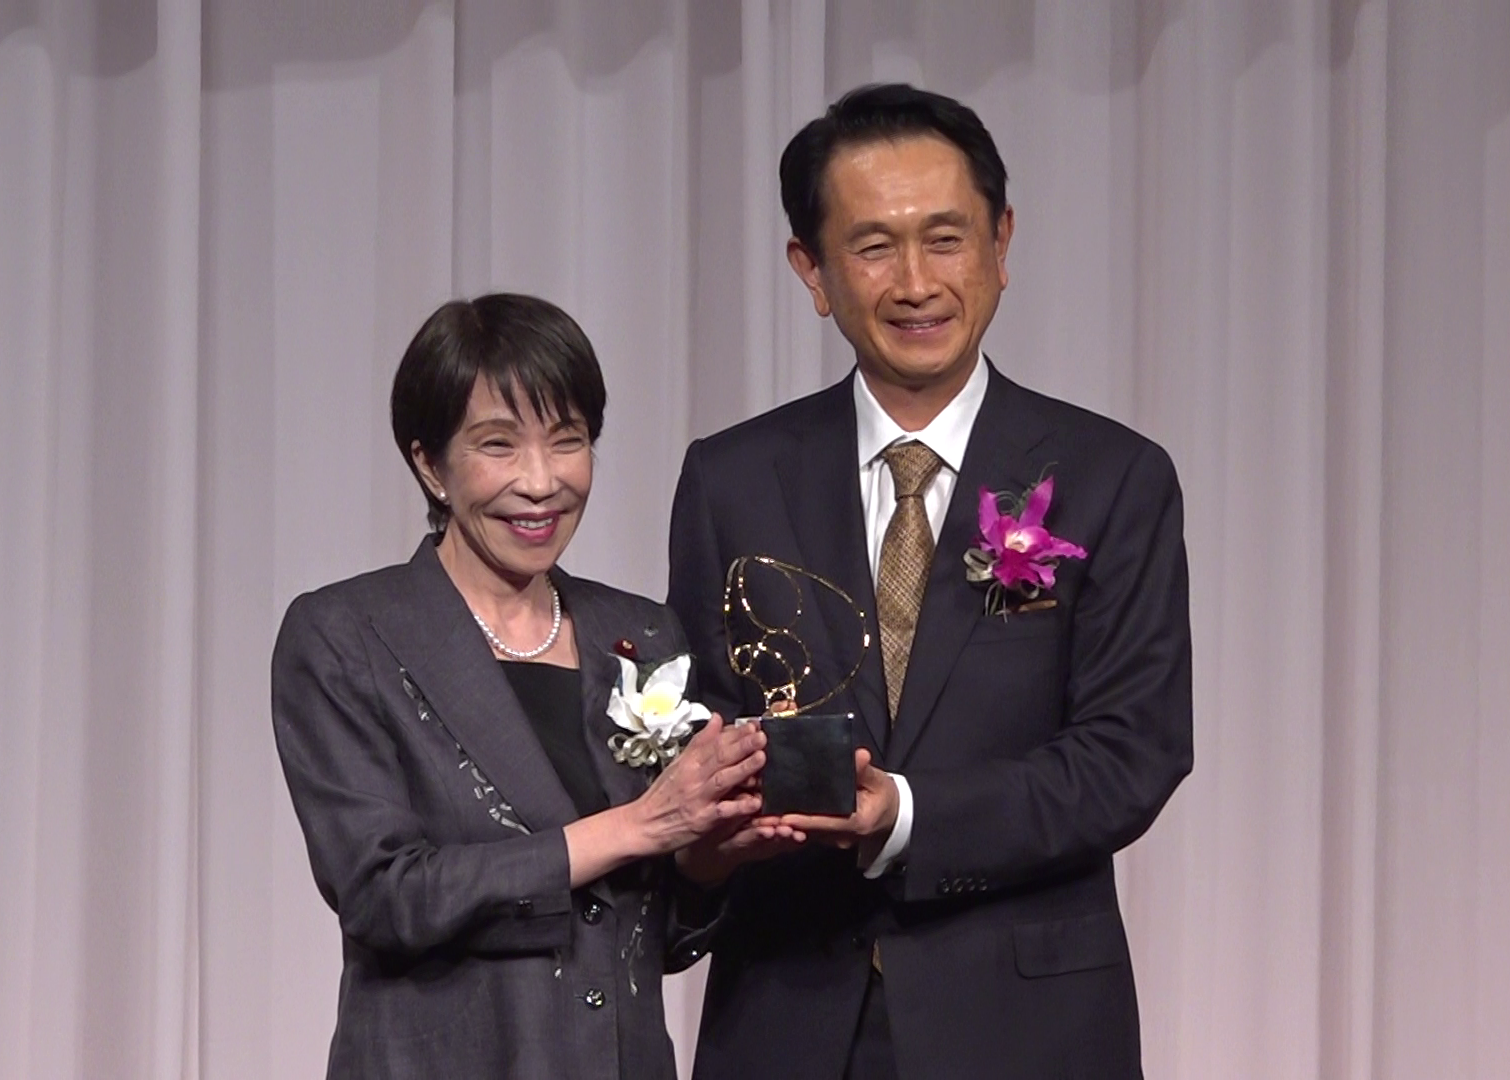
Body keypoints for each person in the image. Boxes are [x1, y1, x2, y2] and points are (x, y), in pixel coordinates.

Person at [666, 84, 1193, 1079]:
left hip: (1028, 1025)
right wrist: (711, 822)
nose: (915, 281)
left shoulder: (1111, 477)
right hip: (787, 1012)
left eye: (944, 239)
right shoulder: (731, 478)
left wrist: (904, 813)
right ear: (812, 271)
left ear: (1002, 244)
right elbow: (707, 721)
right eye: (872, 247)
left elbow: (1133, 753)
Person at [273, 293, 771, 1079]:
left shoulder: (640, 635)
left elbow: (655, 935)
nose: (541, 482)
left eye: (567, 442)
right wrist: (639, 826)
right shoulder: (346, 633)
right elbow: (385, 894)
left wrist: (707, 857)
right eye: (498, 445)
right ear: (429, 464)